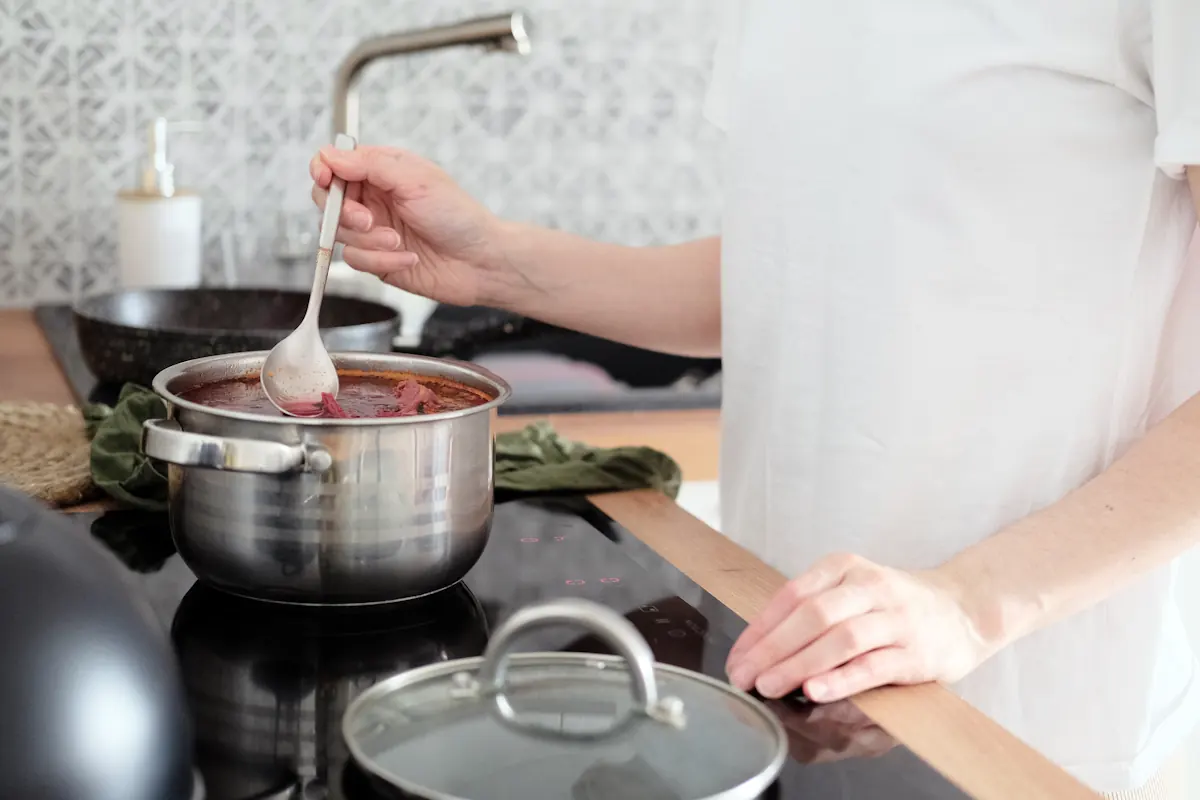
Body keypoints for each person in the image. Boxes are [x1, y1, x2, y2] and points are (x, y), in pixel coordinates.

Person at [310, 2, 1200, 796]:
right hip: (782, 678)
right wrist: (497, 263)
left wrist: (970, 604)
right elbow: (797, 272)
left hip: (1024, 721)